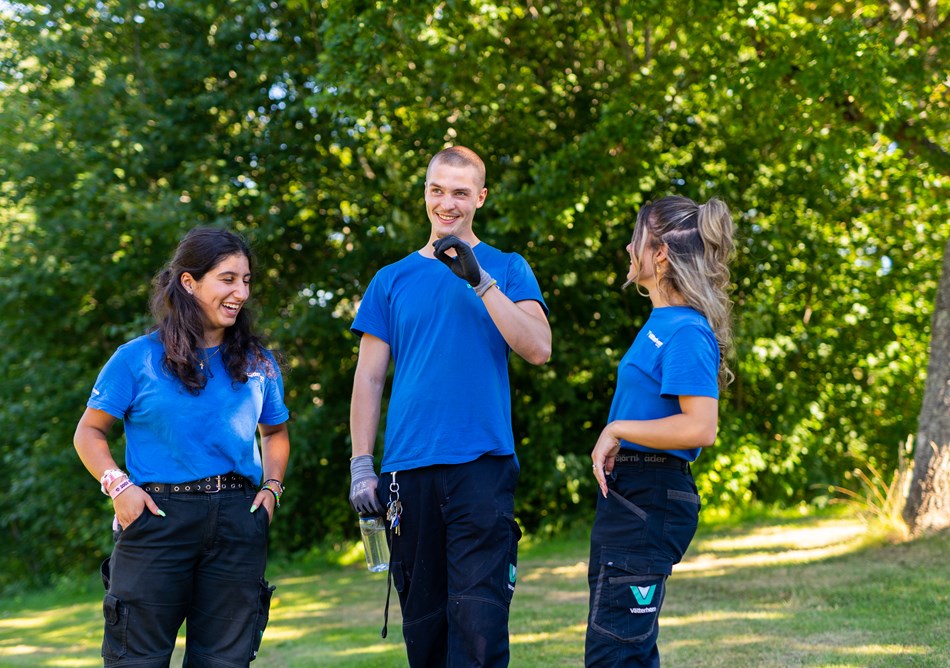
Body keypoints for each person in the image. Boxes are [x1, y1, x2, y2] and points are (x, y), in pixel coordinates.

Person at [348, 146, 552, 667]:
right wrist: (361, 466)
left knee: (479, 624)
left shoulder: (508, 267)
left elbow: (538, 349)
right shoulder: (391, 279)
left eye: (460, 192)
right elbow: (369, 378)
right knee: (425, 628)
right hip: (406, 473)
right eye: (437, 190)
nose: (448, 203)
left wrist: (480, 280)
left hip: (481, 468)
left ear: (480, 198)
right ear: (425, 194)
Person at [74, 226, 291, 667]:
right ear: (189, 283)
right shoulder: (136, 358)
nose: (241, 292)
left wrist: (271, 491)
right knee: (137, 659)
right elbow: (88, 433)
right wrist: (119, 487)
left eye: (246, 280)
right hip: (157, 519)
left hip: (238, 520)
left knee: (225, 662)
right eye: (228, 279)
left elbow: (275, 434)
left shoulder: (258, 362)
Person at [586, 196, 735, 667]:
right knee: (627, 647)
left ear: (661, 254)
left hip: (649, 494)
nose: (629, 248)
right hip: (633, 495)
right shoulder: (661, 323)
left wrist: (617, 429)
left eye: (636, 238)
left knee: (616, 654)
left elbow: (700, 426)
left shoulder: (686, 331)